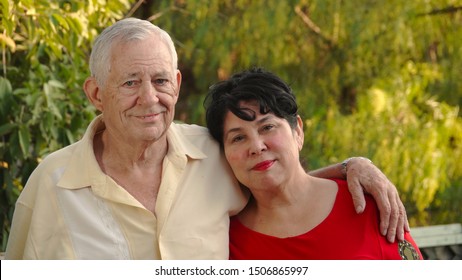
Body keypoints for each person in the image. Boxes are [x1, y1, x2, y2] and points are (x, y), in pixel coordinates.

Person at [6, 18, 406, 260]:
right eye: (130, 82)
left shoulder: (216, 153)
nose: (150, 98)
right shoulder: (52, 184)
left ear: (177, 85)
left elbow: (277, 181)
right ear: (95, 94)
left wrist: (353, 166)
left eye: (161, 80)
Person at [204, 67, 422, 260]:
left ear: (297, 131)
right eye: (238, 138)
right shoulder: (224, 240)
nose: (257, 146)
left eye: (267, 127)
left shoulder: (367, 205)